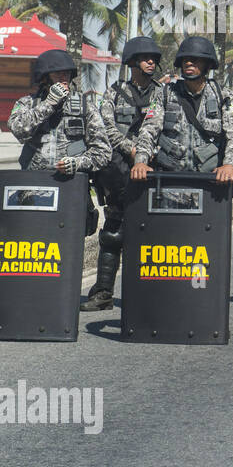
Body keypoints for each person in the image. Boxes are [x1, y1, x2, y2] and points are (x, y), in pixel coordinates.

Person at [81, 36, 165, 311]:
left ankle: (150, 294)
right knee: (113, 231)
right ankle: (103, 292)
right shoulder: (114, 93)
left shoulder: (164, 94)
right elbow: (106, 127)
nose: (151, 62)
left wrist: (146, 153)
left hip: (156, 168)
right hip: (120, 171)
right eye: (145, 58)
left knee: (155, 233)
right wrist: (132, 150)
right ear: (132, 63)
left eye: (154, 58)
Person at [9, 48, 111, 240]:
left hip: (70, 190)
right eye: (58, 73)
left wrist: (78, 163)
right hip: (34, 192)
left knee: (68, 255)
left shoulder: (84, 106)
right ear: (45, 78)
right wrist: (49, 104)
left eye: (67, 73)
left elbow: (103, 152)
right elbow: (18, 130)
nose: (64, 77)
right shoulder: (27, 103)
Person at [136, 36, 233, 190]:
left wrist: (228, 165)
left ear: (207, 65)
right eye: (185, 59)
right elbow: (148, 130)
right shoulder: (165, 94)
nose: (189, 63)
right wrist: (141, 161)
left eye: (195, 60)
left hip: (210, 180)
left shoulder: (223, 96)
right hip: (171, 179)